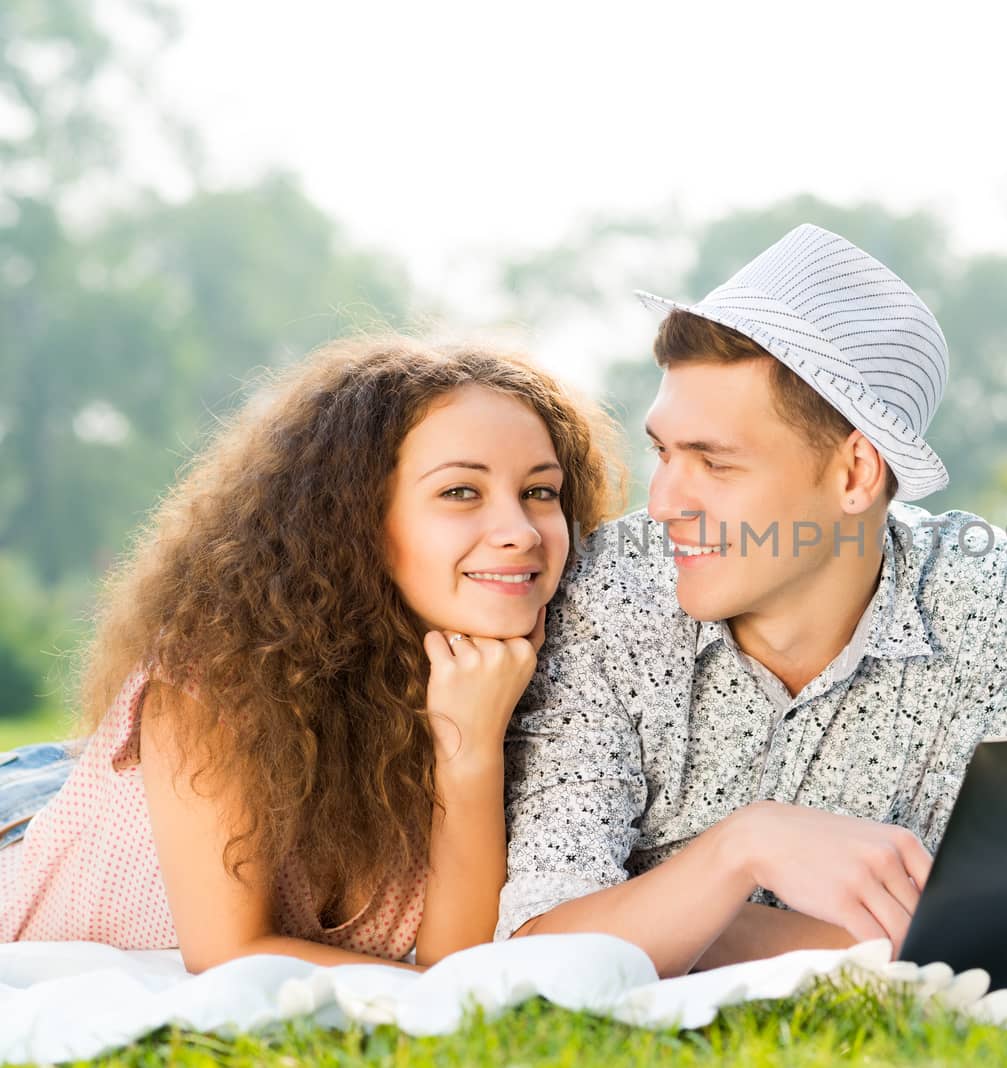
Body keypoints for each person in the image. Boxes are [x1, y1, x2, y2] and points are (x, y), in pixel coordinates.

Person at [500, 224, 1007, 976]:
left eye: (715, 462)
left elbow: (995, 937)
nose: (667, 502)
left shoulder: (982, 599)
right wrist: (749, 845)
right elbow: (539, 948)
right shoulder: (609, 592)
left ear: (855, 475)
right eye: (664, 451)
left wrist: (660, 915)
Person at [0, 336, 623, 971]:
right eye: (461, 491)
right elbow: (231, 955)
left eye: (541, 493)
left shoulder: (539, 672)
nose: (519, 532)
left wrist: (471, 749)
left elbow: (454, 960)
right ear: (356, 518)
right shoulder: (224, 679)